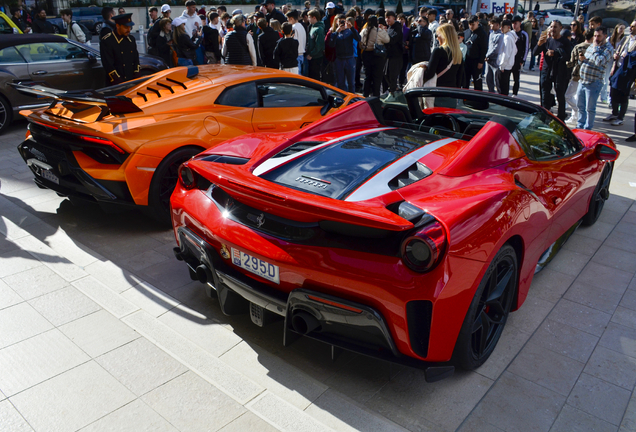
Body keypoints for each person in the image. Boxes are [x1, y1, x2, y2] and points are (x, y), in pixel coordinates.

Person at [534, 20, 572, 120]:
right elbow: (534, 53)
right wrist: (539, 44)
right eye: (551, 27)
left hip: (559, 72)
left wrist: (555, 53)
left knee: (560, 95)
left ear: (560, 28)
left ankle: (561, 117)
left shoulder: (565, 42)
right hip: (546, 71)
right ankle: (544, 116)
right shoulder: (547, 40)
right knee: (544, 95)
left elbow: (568, 56)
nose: (552, 29)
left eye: (555, 27)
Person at [577, 27, 613, 130]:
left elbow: (599, 62)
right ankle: (580, 126)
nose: (596, 38)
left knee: (590, 109)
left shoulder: (608, 48)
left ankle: (588, 128)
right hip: (583, 81)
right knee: (580, 106)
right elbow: (586, 60)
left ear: (605, 36)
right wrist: (581, 60)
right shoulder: (592, 46)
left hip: (594, 83)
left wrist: (596, 49)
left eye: (599, 36)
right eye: (595, 36)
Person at [422, 23, 464, 101]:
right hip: (452, 93)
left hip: (437, 91)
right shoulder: (459, 53)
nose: (437, 38)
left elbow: (429, 74)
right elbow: (460, 76)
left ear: (445, 36)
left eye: (438, 35)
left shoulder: (438, 51)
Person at [606, 21, 636, 126]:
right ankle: (614, 113)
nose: (631, 28)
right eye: (631, 26)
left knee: (623, 94)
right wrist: (616, 55)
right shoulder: (626, 38)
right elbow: (618, 49)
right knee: (613, 90)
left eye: (633, 26)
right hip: (618, 67)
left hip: (629, 71)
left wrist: (628, 55)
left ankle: (620, 117)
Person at [100, 13, 140, 86]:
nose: (128, 30)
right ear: (118, 26)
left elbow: (136, 60)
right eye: (125, 27)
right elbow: (108, 65)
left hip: (131, 81)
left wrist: (136, 76)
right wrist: (120, 83)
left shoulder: (131, 39)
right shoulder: (107, 41)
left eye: (130, 27)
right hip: (117, 84)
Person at [565, 28, 593, 125]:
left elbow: (571, 62)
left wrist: (565, 64)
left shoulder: (578, 47)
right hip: (589, 77)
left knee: (568, 96)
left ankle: (578, 112)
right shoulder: (594, 48)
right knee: (577, 97)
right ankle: (575, 116)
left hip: (577, 75)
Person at [328, 14, 360, 92]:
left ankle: (352, 98)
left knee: (351, 83)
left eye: (343, 21)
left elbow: (358, 38)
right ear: (336, 22)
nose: (342, 23)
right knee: (340, 83)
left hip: (350, 58)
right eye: (340, 21)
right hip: (339, 59)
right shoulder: (334, 32)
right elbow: (331, 44)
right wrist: (336, 32)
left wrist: (352, 27)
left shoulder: (349, 31)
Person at [360, 16, 389, 97]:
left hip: (366, 54)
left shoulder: (364, 30)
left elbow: (360, 40)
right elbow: (387, 40)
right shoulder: (378, 31)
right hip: (377, 55)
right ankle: (376, 96)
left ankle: (365, 95)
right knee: (377, 78)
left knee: (367, 76)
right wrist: (383, 30)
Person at [463, 15, 487, 90]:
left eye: (473, 24)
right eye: (470, 24)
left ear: (477, 23)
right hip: (467, 60)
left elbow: (484, 48)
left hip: (476, 61)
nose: (471, 26)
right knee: (465, 81)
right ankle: (465, 99)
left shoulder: (482, 34)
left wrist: (481, 61)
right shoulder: (466, 32)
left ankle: (478, 100)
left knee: (477, 81)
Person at [497, 20, 518, 96]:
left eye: (503, 27)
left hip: (504, 66)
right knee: (505, 86)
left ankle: (502, 104)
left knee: (502, 88)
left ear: (508, 27)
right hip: (508, 65)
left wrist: (502, 65)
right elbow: (515, 50)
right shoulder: (511, 36)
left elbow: (506, 53)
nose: (501, 28)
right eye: (501, 26)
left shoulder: (507, 38)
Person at [385, 11, 404, 95]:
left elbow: (392, 40)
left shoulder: (397, 28)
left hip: (396, 56)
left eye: (389, 17)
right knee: (386, 74)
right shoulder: (389, 27)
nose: (387, 19)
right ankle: (392, 90)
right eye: (386, 17)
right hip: (389, 55)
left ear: (394, 18)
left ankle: (393, 92)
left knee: (393, 75)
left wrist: (384, 36)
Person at [485, 17, 503, 93]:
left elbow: (496, 49)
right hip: (488, 60)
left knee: (496, 81)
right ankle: (491, 93)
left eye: (492, 24)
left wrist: (487, 56)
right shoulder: (491, 34)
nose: (490, 25)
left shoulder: (500, 36)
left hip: (495, 61)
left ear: (497, 25)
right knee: (488, 78)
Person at [306, 9, 325, 81]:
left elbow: (319, 45)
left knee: (315, 76)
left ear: (314, 17)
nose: (308, 19)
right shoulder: (312, 27)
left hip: (316, 57)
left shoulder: (319, 29)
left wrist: (311, 54)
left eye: (309, 17)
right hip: (311, 56)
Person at [511, 16, 528, 95]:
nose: (514, 25)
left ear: (520, 24)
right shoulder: (510, 33)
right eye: (513, 23)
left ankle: (515, 93)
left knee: (516, 78)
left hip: (518, 59)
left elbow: (526, 48)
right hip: (510, 59)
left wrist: (522, 60)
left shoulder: (524, 34)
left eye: (515, 23)